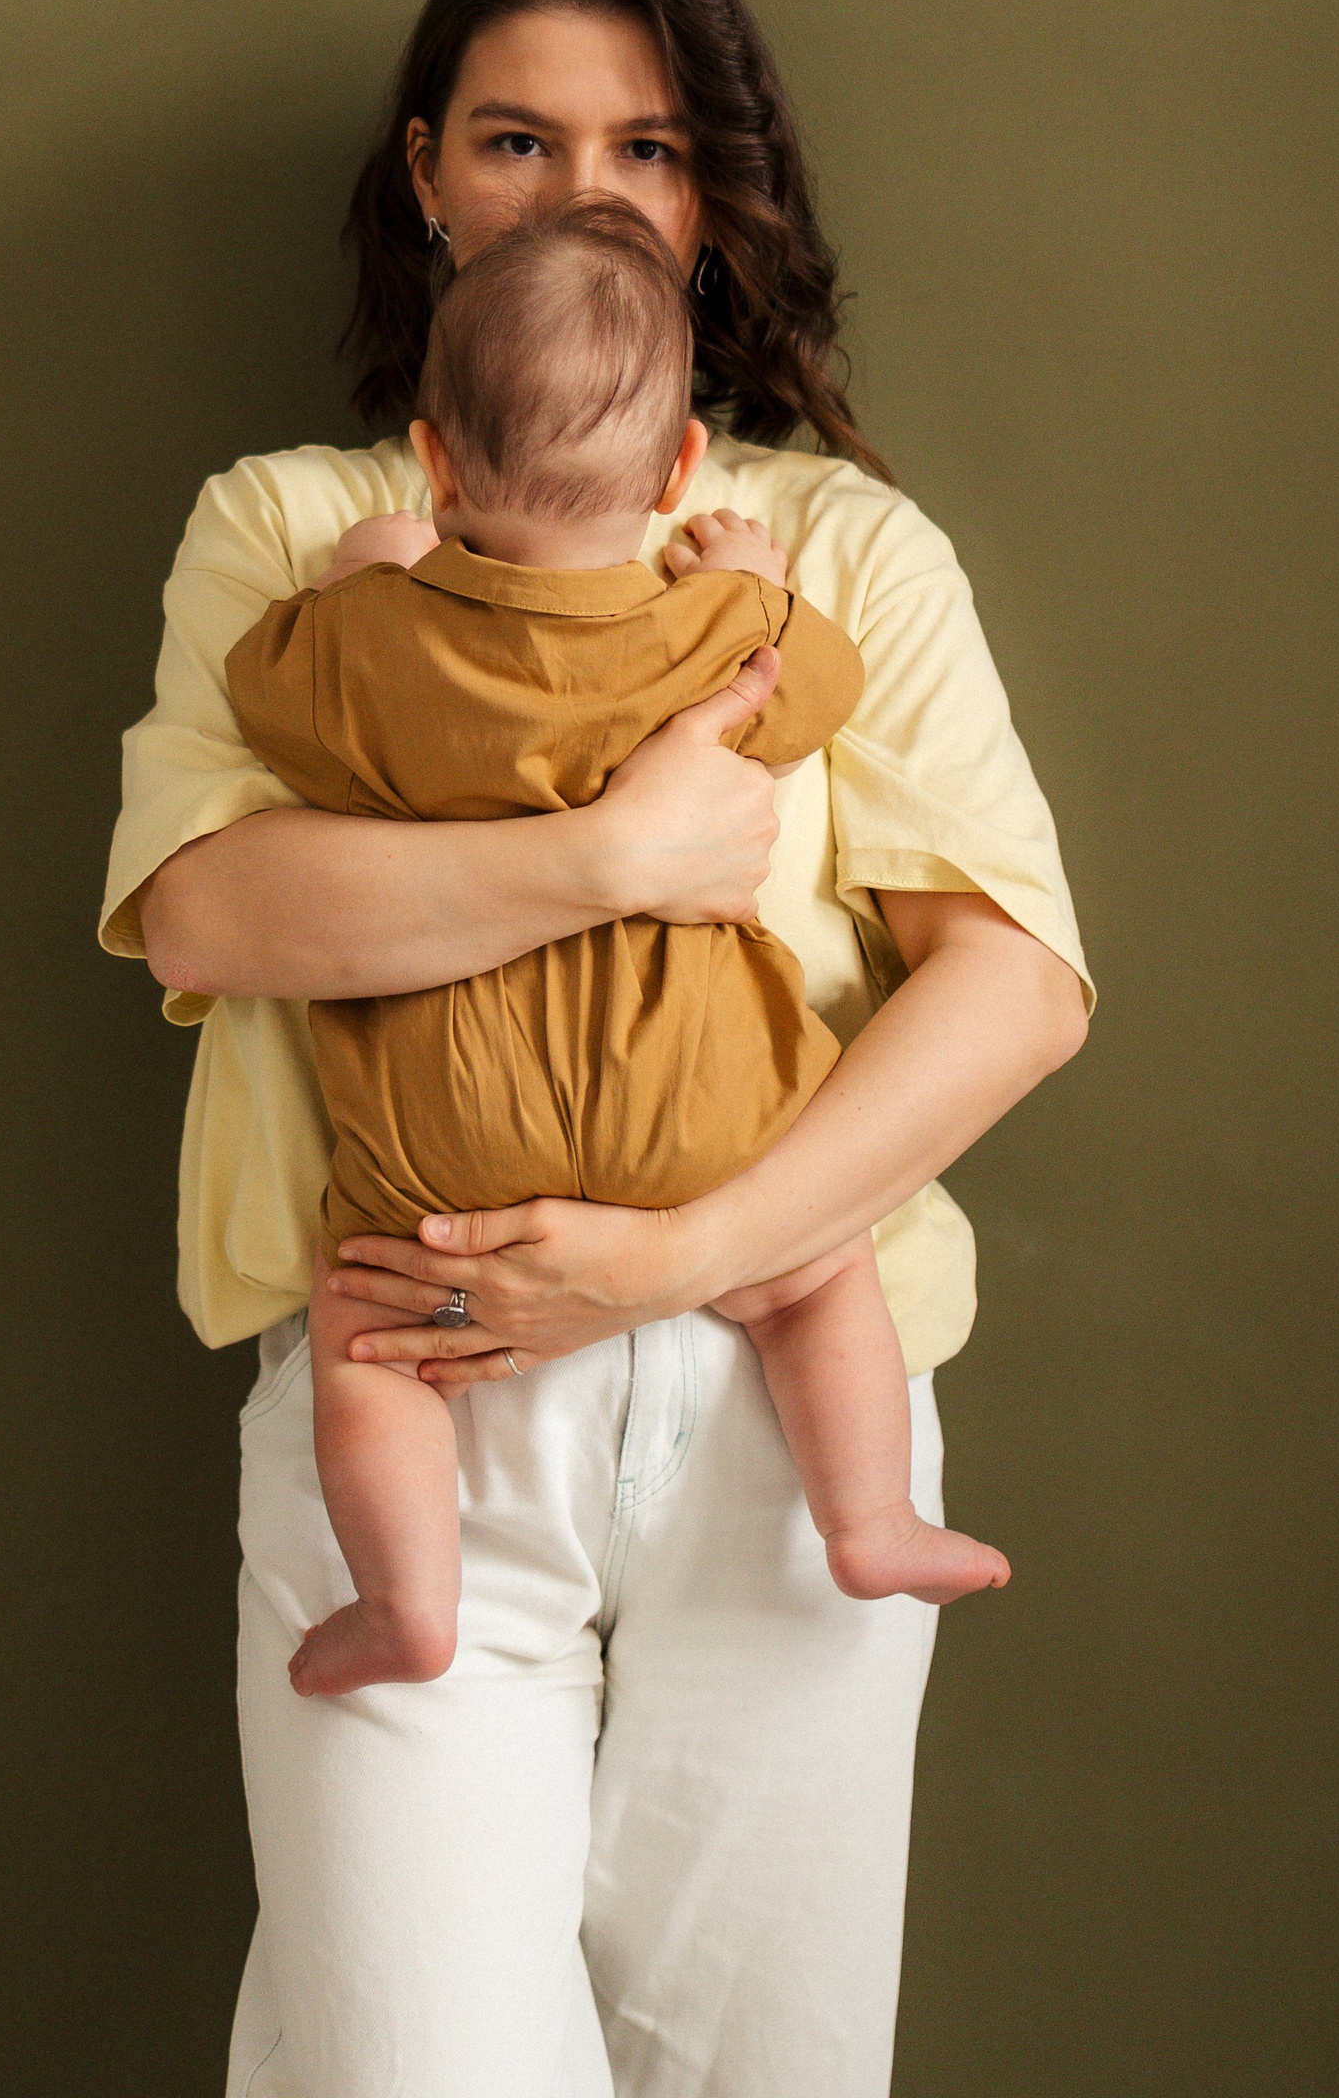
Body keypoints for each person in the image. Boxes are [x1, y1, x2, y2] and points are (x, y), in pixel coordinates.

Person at [102, 0, 1092, 2098]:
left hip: (787, 1400)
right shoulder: (295, 531)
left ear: (714, 196)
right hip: (414, 1384)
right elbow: (206, 916)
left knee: (762, 2071)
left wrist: (674, 1257)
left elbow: (1015, 985)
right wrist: (618, 857)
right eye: (518, 139)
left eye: (647, 147)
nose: (587, 192)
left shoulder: (837, 548)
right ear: (427, 176)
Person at [222, 199, 1011, 1698]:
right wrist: (752, 578)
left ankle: (407, 1603)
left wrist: (355, 580)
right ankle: (868, 1521)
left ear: (436, 460)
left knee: (366, 1334)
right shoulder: (712, 631)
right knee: (818, 1269)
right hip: (700, 1116)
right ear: (676, 472)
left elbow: (270, 700)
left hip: (452, 1147)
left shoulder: (372, 646)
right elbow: (819, 687)